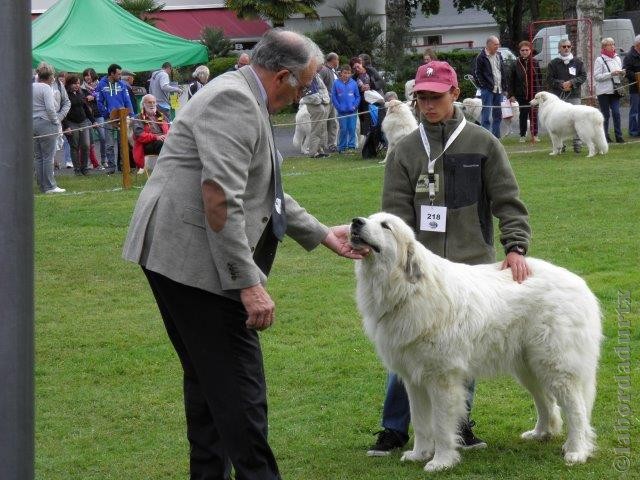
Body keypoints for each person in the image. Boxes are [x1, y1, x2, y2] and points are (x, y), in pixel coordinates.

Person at [122, 29, 366, 480]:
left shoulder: (243, 95)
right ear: (283, 77)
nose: (306, 93)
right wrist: (248, 284)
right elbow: (220, 199)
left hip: (178, 254)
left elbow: (264, 191)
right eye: (307, 83)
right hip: (190, 260)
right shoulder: (233, 101)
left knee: (209, 384)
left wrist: (321, 234)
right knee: (239, 389)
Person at [367, 60, 531, 457]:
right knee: (407, 348)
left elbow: (509, 202)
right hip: (417, 273)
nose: (427, 104)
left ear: (455, 94)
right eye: (421, 97)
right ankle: (393, 429)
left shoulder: (483, 143)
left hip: (472, 261)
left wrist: (516, 247)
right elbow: (393, 215)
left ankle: (457, 428)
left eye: (435, 96)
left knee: (460, 349)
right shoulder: (404, 151)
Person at [546, 39, 587, 153]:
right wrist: (561, 84)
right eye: (564, 46)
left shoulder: (578, 62)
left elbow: (583, 76)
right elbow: (549, 79)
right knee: (559, 122)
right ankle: (560, 145)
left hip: (574, 95)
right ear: (559, 48)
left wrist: (572, 83)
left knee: (577, 120)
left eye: (568, 46)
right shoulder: (553, 63)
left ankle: (577, 144)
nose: (566, 48)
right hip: (558, 97)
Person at [95, 63, 134, 173]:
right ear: (111, 74)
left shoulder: (122, 85)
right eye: (118, 74)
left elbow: (127, 101)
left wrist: (132, 116)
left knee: (123, 143)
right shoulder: (101, 85)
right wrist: (108, 114)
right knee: (109, 144)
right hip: (109, 118)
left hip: (122, 118)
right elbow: (99, 102)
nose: (120, 76)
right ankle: (111, 168)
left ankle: (123, 167)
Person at [32, 68, 65, 194]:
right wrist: (56, 122)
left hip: (32, 123)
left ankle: (42, 185)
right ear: (50, 77)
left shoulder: (31, 86)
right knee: (48, 156)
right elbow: (50, 108)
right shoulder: (46, 88)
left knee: (39, 156)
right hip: (46, 123)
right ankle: (50, 186)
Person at [473, 36, 508, 138]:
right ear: (489, 45)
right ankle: (485, 137)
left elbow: (503, 72)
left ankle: (496, 137)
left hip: (499, 89)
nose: (498, 46)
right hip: (487, 90)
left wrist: (505, 87)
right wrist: (483, 86)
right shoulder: (481, 57)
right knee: (486, 114)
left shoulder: (499, 55)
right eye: (495, 44)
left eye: (498, 44)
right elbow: (477, 73)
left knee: (498, 114)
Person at [508, 40, 542, 142]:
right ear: (519, 51)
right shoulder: (515, 64)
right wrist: (511, 94)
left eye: (527, 50)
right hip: (521, 94)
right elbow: (511, 80)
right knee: (523, 115)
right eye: (523, 50)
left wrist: (540, 93)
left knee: (534, 115)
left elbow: (539, 78)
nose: (525, 52)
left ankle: (535, 134)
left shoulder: (535, 62)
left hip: (534, 93)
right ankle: (522, 135)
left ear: (530, 50)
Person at [594, 37, 626, 144]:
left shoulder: (617, 58)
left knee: (616, 113)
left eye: (613, 44)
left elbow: (619, 74)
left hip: (615, 90)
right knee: (605, 115)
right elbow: (597, 76)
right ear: (604, 47)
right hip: (603, 92)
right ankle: (605, 137)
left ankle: (619, 136)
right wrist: (611, 74)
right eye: (610, 44)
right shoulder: (599, 59)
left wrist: (622, 73)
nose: (613, 46)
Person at [63, 74, 95, 176]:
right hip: (72, 123)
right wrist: (66, 126)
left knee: (86, 145)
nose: (77, 85)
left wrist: (93, 121)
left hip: (83, 122)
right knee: (74, 146)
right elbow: (63, 113)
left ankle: (84, 168)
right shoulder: (64, 95)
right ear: (69, 84)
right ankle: (77, 170)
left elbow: (86, 108)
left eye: (78, 83)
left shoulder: (81, 93)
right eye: (74, 83)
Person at [131, 94, 169, 172]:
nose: (152, 104)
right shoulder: (138, 118)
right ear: (143, 104)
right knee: (161, 143)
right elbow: (139, 136)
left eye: (154, 102)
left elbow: (172, 130)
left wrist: (167, 136)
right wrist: (156, 137)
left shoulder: (162, 116)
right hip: (146, 145)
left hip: (163, 140)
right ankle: (165, 169)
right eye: (149, 102)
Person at [299, 68, 331, 158]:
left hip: (322, 102)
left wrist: (324, 98)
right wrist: (319, 99)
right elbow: (309, 92)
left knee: (322, 128)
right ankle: (313, 152)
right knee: (316, 128)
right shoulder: (307, 75)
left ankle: (320, 149)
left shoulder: (316, 75)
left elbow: (322, 88)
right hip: (314, 103)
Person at [330, 64, 360, 153]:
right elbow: (334, 97)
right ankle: (342, 147)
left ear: (351, 74)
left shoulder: (354, 83)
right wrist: (339, 107)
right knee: (343, 129)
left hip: (352, 111)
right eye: (345, 73)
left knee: (352, 128)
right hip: (341, 111)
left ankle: (351, 146)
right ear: (341, 73)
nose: (346, 75)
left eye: (348, 73)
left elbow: (357, 96)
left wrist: (354, 106)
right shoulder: (336, 83)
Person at [81, 67, 106, 170]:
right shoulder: (81, 87)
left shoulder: (100, 85)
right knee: (89, 141)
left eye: (90, 75)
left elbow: (104, 96)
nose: (88, 77)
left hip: (99, 114)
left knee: (103, 137)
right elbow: (81, 100)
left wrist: (95, 97)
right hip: (87, 116)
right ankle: (93, 162)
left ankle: (104, 161)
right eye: (86, 75)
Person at [319, 52, 339, 152]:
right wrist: (325, 95)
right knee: (323, 123)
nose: (338, 61)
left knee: (333, 123)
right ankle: (322, 145)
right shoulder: (323, 70)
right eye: (337, 59)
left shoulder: (334, 71)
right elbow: (319, 83)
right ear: (333, 60)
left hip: (334, 101)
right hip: (326, 102)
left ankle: (332, 144)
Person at [623, 34, 640, 137]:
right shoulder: (629, 56)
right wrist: (637, 77)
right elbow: (627, 71)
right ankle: (633, 131)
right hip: (634, 88)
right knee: (634, 110)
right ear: (638, 44)